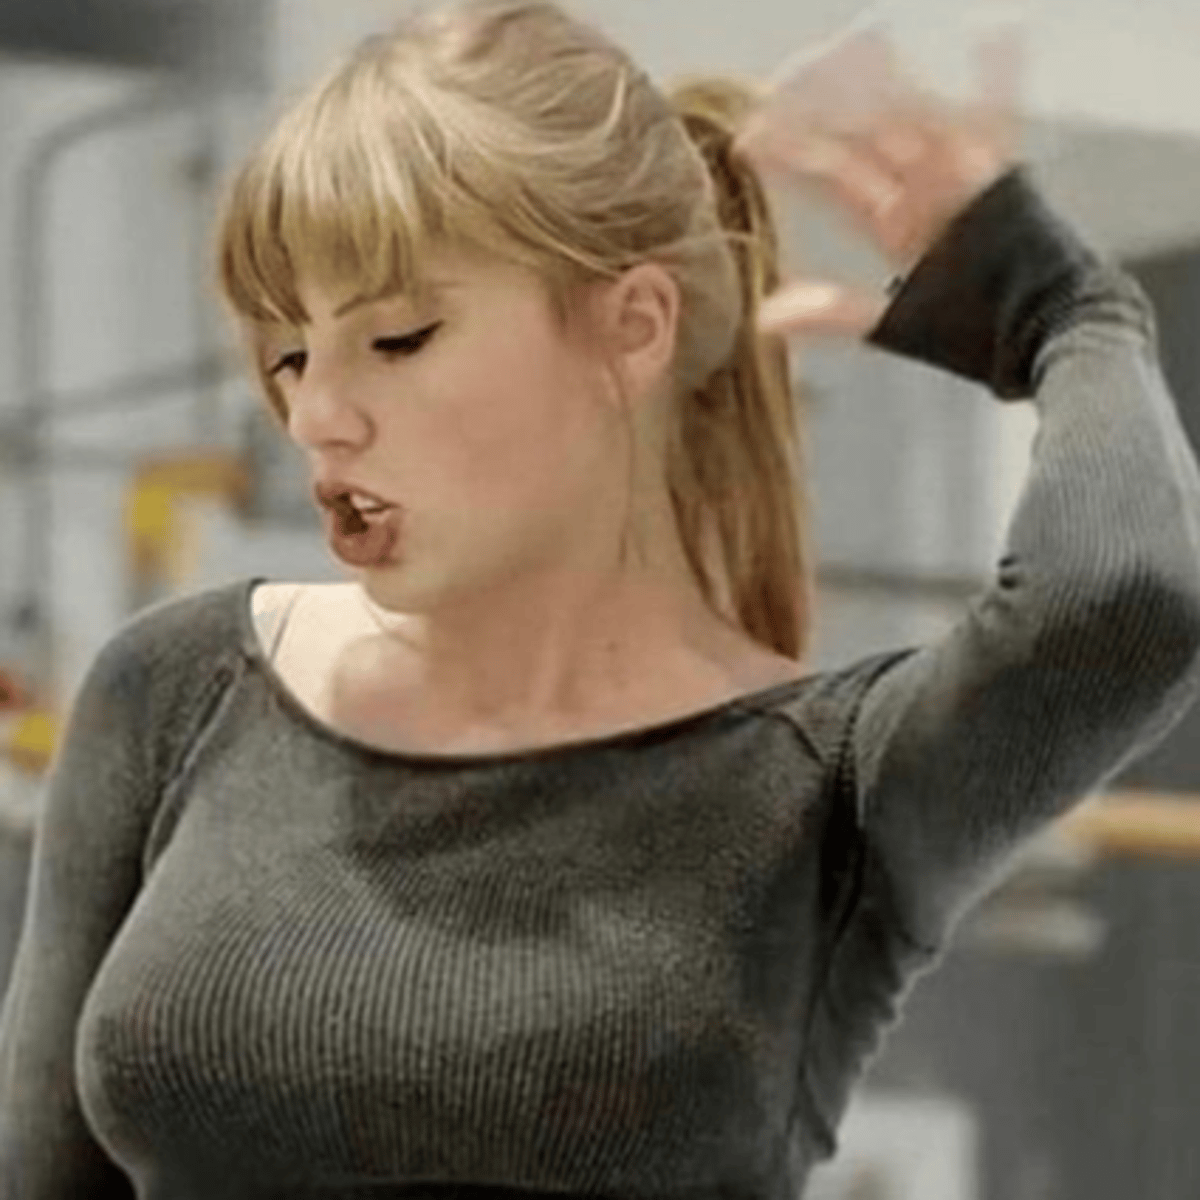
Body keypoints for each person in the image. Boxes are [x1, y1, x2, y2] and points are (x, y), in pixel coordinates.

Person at [3, 0, 1200, 1195]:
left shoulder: (824, 786)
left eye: (399, 339)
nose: (316, 415)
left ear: (632, 330)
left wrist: (1065, 308)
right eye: (289, 354)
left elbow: (1128, 599)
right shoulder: (177, 694)